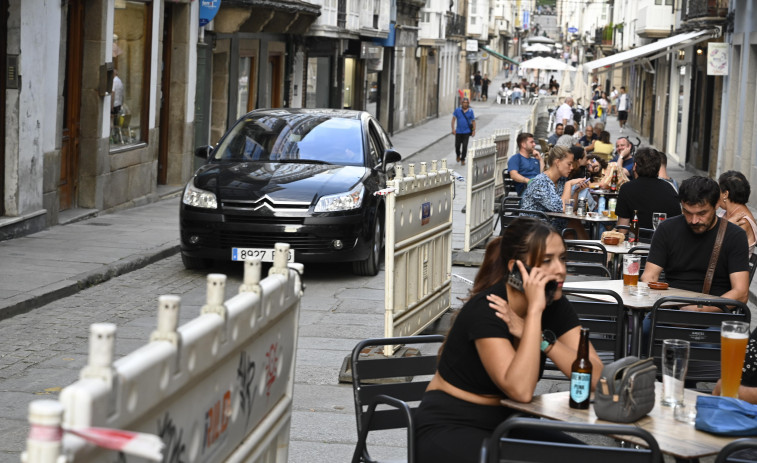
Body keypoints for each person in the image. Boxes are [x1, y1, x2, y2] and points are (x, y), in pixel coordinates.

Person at [414, 217, 603, 463]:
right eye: (547, 261)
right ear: (516, 268)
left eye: (563, 258)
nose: (560, 270)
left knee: (601, 457)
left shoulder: (555, 304)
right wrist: (535, 311)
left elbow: (595, 375)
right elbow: (521, 390)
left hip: (510, 425)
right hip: (451, 426)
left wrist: (538, 337)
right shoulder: (488, 309)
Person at [641, 176, 750, 307]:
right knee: (640, 327)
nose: (694, 220)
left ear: (716, 205)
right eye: (687, 212)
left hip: (714, 314)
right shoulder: (666, 229)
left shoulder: (735, 235)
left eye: (701, 213)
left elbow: (741, 293)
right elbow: (649, 276)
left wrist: (701, 310)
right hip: (669, 307)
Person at [520, 145, 591, 237]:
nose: (572, 167)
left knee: (574, 223)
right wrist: (568, 184)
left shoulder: (561, 181)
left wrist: (577, 191)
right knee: (573, 224)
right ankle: (589, 250)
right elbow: (562, 208)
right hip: (533, 229)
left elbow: (569, 209)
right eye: (569, 164)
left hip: (549, 225)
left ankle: (588, 250)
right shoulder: (540, 182)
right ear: (557, 162)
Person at [613, 147, 681, 232]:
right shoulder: (670, 188)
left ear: (635, 166)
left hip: (636, 243)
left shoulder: (626, 189)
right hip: (662, 242)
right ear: (658, 168)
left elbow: (622, 229)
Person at [718, 170, 757, 256]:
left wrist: (726, 227)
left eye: (718, 190)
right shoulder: (725, 212)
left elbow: (721, 251)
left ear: (725, 194)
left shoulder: (743, 221)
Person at [451, 98, 476, 165]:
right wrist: (453, 129)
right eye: (464, 103)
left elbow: (473, 121)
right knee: (457, 146)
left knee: (465, 146)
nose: (465, 104)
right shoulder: (457, 110)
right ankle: (458, 155)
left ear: (468, 104)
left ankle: (463, 159)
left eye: (466, 103)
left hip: (466, 132)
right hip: (458, 131)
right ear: (462, 103)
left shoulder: (470, 111)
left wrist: (473, 130)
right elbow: (453, 119)